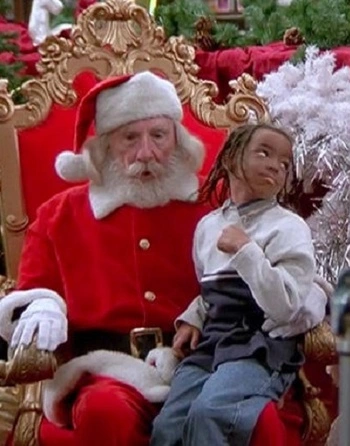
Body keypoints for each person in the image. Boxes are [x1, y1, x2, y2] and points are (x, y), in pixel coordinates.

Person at [0, 72, 326, 446]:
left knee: (253, 418)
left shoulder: (221, 203)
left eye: (158, 135)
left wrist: (308, 295)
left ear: (178, 139)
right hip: (109, 369)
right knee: (104, 411)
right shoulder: (60, 214)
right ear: (105, 145)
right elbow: (32, 290)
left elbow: (285, 249)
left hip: (213, 357)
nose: (146, 153)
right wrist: (42, 307)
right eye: (130, 137)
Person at [150, 122, 317, 446]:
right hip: (212, 342)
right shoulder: (208, 227)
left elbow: (285, 306)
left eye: (285, 163)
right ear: (230, 158)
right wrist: (194, 317)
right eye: (264, 153)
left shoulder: (289, 227)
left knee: (210, 412)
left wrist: (246, 251)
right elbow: (210, 291)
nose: (276, 166)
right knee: (168, 425)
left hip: (260, 345)